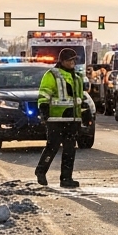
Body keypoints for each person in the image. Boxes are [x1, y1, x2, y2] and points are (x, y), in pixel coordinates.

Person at [35, 49, 88, 188]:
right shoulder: (52, 75)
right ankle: (41, 171)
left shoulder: (77, 77)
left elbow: (79, 99)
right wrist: (44, 110)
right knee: (52, 147)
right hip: (56, 119)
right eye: (70, 60)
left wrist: (85, 112)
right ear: (62, 61)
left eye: (74, 60)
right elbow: (44, 94)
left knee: (70, 150)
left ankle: (66, 179)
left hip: (73, 120)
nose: (72, 62)